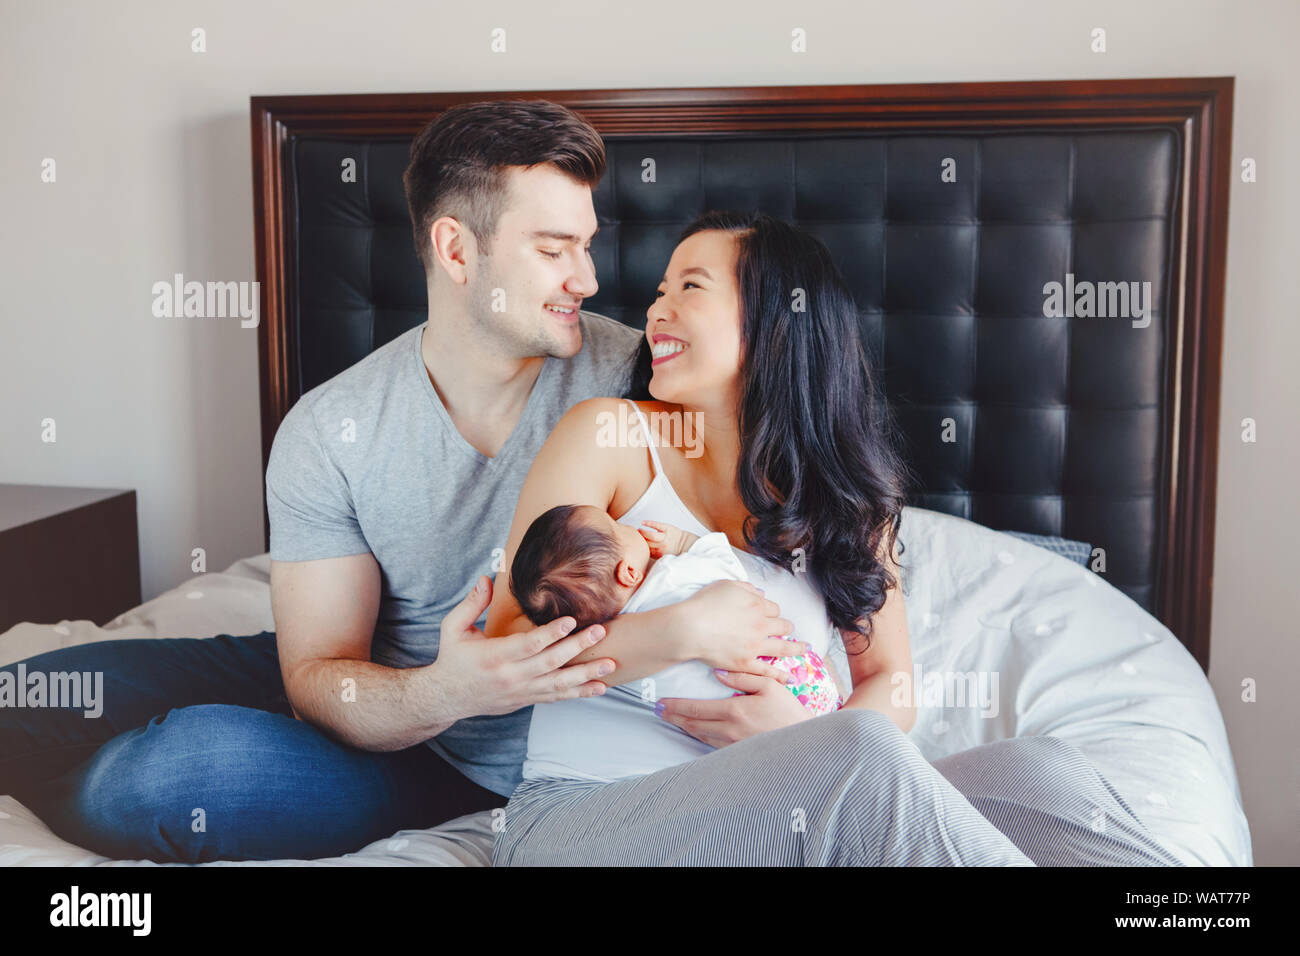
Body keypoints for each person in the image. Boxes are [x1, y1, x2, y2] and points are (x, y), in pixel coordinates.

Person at [0, 100, 790, 863]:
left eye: (587, 244)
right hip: (382, 675)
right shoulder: (332, 426)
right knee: (29, 695)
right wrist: (442, 689)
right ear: (455, 250)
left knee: (175, 773)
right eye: (554, 250)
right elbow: (319, 672)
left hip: (464, 763)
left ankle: (54, 791)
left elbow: (805, 493)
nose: (585, 277)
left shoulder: (645, 379)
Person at [483, 210, 1185, 866]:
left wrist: (793, 739)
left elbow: (891, 684)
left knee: (1040, 771)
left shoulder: (847, 495)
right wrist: (684, 630)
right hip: (586, 816)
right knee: (859, 749)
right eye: (661, 289)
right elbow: (507, 644)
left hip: (783, 800)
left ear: (775, 321)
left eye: (689, 287)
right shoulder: (611, 436)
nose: (656, 309)